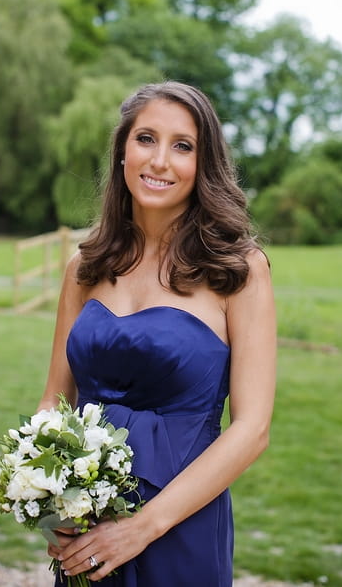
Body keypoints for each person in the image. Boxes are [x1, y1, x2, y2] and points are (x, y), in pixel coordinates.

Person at [37, 81, 276, 586]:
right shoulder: (85, 267)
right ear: (123, 151)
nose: (160, 161)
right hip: (85, 527)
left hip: (180, 521)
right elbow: (52, 406)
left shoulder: (239, 270)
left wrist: (141, 529)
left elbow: (252, 430)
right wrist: (48, 507)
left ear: (202, 165)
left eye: (183, 146)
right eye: (146, 139)